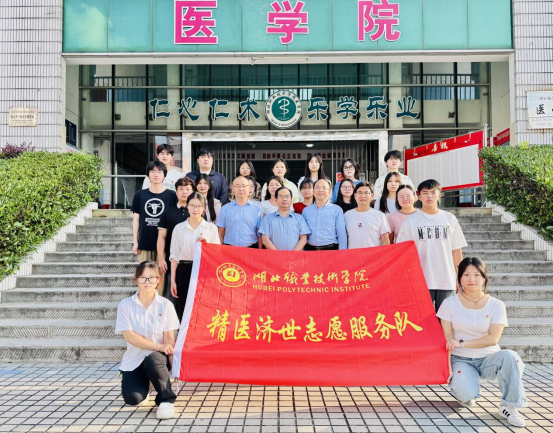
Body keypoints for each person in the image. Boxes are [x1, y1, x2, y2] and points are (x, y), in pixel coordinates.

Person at [438, 257, 527, 427]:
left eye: (477, 275)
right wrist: (447, 367)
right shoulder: (449, 304)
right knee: (465, 395)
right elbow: (447, 340)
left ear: (484, 278)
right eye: (466, 274)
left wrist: (462, 343)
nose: (471, 279)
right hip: (461, 359)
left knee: (511, 357)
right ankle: (467, 392)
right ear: (459, 278)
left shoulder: (496, 305)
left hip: (489, 359)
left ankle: (509, 406)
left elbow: (493, 338)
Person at [115, 261, 179, 420]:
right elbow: (130, 337)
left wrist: (175, 365)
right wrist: (157, 345)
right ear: (136, 280)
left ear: (158, 280)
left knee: (153, 359)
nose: (147, 282)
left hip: (158, 358)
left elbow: (169, 338)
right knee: (133, 399)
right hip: (135, 359)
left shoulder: (166, 305)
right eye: (143, 277)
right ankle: (149, 382)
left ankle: (166, 399)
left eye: (152, 278)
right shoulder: (126, 305)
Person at [396, 179, 467, 312]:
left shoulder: (450, 219)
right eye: (425, 193)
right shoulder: (410, 222)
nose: (429, 196)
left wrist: (460, 276)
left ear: (439, 195)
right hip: (420, 280)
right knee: (423, 318)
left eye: (433, 192)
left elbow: (456, 251)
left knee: (446, 319)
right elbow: (402, 253)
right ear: (419, 196)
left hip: (446, 279)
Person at [170, 193, 220, 321]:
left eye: (198, 206)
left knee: (204, 305)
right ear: (187, 206)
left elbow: (216, 256)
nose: (195, 209)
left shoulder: (211, 228)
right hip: (184, 269)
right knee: (184, 305)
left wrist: (206, 245)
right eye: (192, 205)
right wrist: (173, 280)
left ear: (204, 208)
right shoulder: (179, 228)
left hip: (204, 270)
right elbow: (174, 256)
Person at [132, 161, 177, 295]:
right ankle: (145, 299)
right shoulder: (140, 195)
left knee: (160, 275)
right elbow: (136, 219)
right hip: (145, 241)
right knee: (144, 273)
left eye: (159, 172)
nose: (156, 174)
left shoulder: (172, 195)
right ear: (148, 175)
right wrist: (135, 241)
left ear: (164, 176)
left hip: (164, 243)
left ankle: (159, 300)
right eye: (152, 171)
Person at [156, 177, 195, 300]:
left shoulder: (196, 212)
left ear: (193, 191)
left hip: (192, 260)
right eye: (181, 189)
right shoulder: (168, 212)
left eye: (187, 189)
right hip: (171, 258)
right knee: (171, 293)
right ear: (176, 192)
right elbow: (161, 237)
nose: (184, 192)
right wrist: (161, 259)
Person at [217, 176, 263, 248]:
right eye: (237, 186)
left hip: (251, 248)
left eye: (244, 186)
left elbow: (259, 232)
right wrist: (220, 248)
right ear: (233, 188)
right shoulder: (225, 209)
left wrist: (260, 250)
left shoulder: (257, 209)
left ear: (249, 188)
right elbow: (220, 232)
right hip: (229, 248)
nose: (241, 189)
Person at [303, 179, 347, 250]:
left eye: (324, 188)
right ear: (313, 191)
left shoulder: (336, 210)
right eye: (317, 187)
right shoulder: (306, 211)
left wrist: (343, 251)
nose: (320, 190)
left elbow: (341, 232)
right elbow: (303, 234)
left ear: (329, 192)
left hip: (330, 250)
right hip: (310, 250)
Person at [345, 182, 391, 249]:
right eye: (360, 193)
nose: (363, 196)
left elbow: (385, 240)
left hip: (373, 254)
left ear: (372, 195)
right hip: (353, 254)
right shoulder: (347, 215)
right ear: (355, 195)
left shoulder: (380, 216)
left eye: (366, 193)